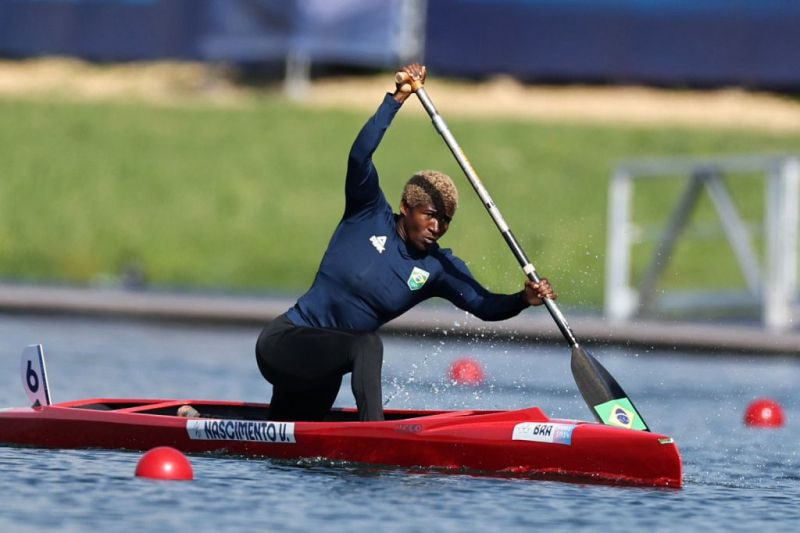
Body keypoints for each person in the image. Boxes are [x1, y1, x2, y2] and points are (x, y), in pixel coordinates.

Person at [256, 63, 555, 422]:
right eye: (430, 215)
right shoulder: (366, 212)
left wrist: (524, 299)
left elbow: (483, 304)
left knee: (288, 439)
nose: (437, 226)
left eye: (445, 220)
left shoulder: (438, 269)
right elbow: (359, 156)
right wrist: (397, 98)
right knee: (367, 343)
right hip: (284, 343)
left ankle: (198, 418)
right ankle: (375, 435)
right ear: (405, 208)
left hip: (324, 370)